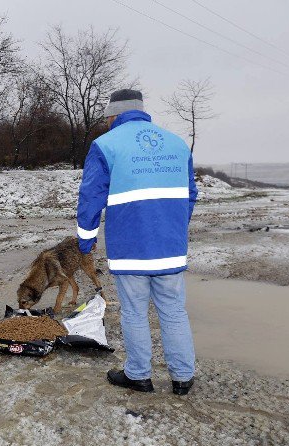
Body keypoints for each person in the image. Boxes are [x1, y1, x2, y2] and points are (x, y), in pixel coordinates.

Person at [76, 89, 197, 395]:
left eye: (107, 118)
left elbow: (91, 197)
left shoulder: (105, 145)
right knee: (174, 311)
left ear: (114, 115)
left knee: (134, 312)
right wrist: (174, 227)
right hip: (169, 246)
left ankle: (139, 375)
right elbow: (190, 194)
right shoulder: (177, 143)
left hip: (131, 247)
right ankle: (182, 378)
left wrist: (85, 240)